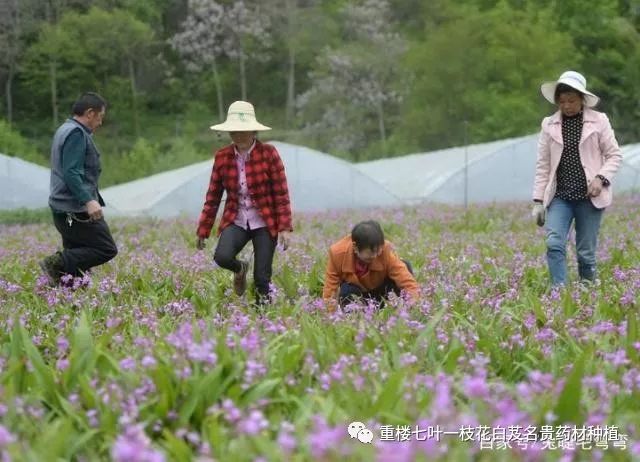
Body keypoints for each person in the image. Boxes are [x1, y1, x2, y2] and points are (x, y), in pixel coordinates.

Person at [196, 101, 293, 305]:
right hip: (237, 219)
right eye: (233, 130)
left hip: (265, 222)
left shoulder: (269, 153)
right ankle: (240, 268)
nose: (237, 134)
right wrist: (203, 230)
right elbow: (213, 196)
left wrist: (284, 228)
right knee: (222, 257)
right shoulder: (222, 157)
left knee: (261, 278)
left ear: (253, 130)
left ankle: (262, 318)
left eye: (242, 130)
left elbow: (281, 193)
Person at [532, 71, 622, 287]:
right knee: (554, 243)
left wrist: (601, 179)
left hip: (589, 197)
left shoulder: (599, 121)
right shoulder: (549, 125)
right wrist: (537, 201)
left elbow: (614, 155)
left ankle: (587, 293)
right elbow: (543, 165)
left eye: (571, 100)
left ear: (582, 99)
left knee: (585, 253)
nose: (566, 105)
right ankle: (558, 292)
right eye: (562, 101)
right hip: (560, 197)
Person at [39, 92, 118, 285]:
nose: (100, 123)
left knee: (77, 257)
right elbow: (71, 172)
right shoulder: (76, 134)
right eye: (100, 117)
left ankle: (65, 294)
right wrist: (88, 200)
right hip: (74, 209)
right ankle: (56, 263)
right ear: (90, 113)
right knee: (105, 248)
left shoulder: (64, 129)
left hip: (63, 208)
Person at [322, 220, 419, 310]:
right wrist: (330, 314)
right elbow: (330, 288)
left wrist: (412, 303)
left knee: (405, 265)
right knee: (347, 290)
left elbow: (405, 279)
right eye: (371, 252)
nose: (376, 255)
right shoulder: (337, 253)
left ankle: (393, 309)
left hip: (381, 293)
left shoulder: (384, 250)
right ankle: (355, 316)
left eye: (378, 250)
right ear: (355, 247)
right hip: (358, 296)